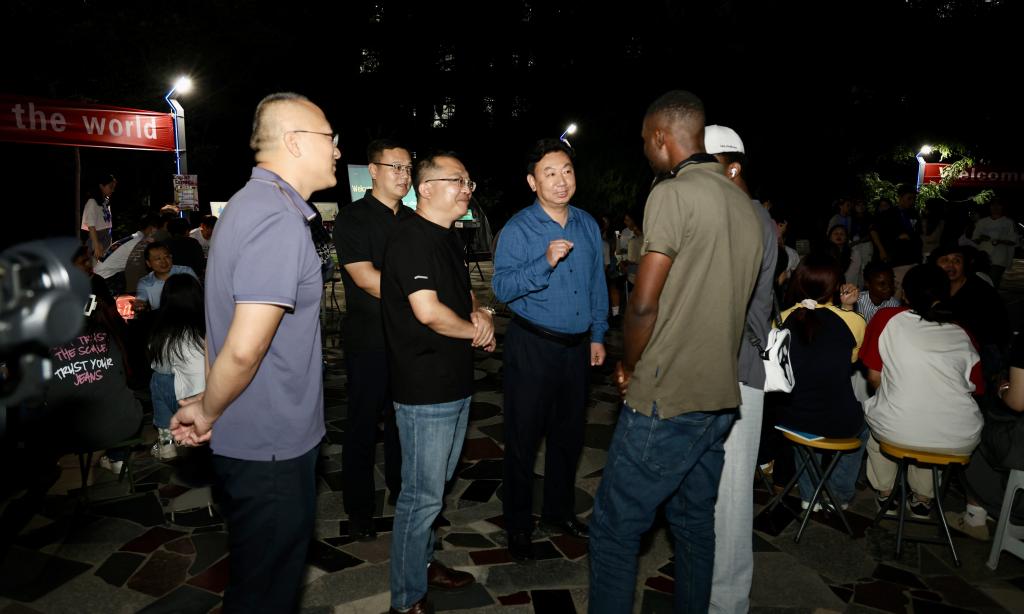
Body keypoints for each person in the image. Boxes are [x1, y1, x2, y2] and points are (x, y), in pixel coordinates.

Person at [588, 91, 762, 613]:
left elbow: (643, 304)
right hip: (718, 396)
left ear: (661, 137)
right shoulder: (744, 204)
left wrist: (629, 366)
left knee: (614, 528)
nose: (645, 150)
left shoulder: (672, 193)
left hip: (668, 395)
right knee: (693, 525)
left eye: (646, 140)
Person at [170, 92, 339, 613]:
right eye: (330, 138)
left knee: (255, 584)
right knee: (266, 595)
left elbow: (223, 327)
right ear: (295, 142)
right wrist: (208, 410)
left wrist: (209, 399)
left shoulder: (250, 204)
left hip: (254, 436)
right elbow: (245, 349)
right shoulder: (276, 218)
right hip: (272, 445)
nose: (337, 150)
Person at [383, 152, 492, 614]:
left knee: (436, 488)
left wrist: (481, 314)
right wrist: (476, 332)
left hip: (454, 380)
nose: (467, 188)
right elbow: (428, 312)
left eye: (469, 181)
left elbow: (461, 296)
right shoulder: (411, 237)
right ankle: (406, 599)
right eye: (457, 180)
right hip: (425, 386)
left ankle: (423, 564)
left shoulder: (447, 236)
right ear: (425, 189)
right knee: (421, 496)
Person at [492, 138, 608, 561]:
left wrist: (598, 334)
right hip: (533, 346)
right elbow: (502, 288)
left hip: (577, 350)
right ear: (532, 182)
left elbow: (597, 283)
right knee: (523, 439)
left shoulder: (587, 224)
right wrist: (544, 261)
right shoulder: (519, 229)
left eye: (567, 171)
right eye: (550, 173)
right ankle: (519, 525)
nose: (561, 181)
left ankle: (559, 512)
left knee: (568, 437)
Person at [702, 124, 778, 614]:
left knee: (730, 495)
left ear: (732, 170)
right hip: (717, 368)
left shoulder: (746, 218)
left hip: (737, 370)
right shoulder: (738, 213)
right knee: (712, 490)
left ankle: (727, 601)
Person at [332, 138, 413, 540]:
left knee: (405, 424)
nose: (404, 175)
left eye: (408, 168)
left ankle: (404, 493)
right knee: (363, 425)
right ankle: (360, 509)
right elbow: (365, 278)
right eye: (395, 167)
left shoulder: (414, 219)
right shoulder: (353, 218)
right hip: (369, 340)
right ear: (374, 171)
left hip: (410, 339)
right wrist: (422, 297)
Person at [861, 264, 984, 518]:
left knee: (880, 428)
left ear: (905, 294)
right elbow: (976, 388)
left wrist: (898, 393)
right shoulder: (962, 332)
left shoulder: (887, 318)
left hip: (898, 429)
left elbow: (873, 378)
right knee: (931, 427)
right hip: (959, 436)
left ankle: (886, 494)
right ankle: (923, 499)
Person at [777, 254, 865, 510]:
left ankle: (809, 495)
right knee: (864, 427)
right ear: (835, 286)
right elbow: (850, 360)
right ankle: (839, 494)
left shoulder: (782, 317)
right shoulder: (853, 321)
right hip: (839, 421)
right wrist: (847, 310)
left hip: (793, 417)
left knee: (804, 427)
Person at [147, 274, 206, 461]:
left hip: (191, 403)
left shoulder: (166, 333)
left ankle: (167, 441)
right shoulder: (211, 324)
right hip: (218, 396)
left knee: (158, 378)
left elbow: (160, 368)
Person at [134, 242, 198, 311]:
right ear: (148, 263)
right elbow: (140, 300)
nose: (164, 261)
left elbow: (198, 295)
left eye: (166, 257)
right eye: (158, 259)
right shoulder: (145, 282)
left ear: (171, 257)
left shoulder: (186, 272)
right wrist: (138, 304)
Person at [972, 198, 1017, 288]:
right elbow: (975, 239)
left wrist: (1000, 241)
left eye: (998, 205)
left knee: (993, 282)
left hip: (999, 259)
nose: (995, 207)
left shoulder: (1008, 222)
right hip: (983, 257)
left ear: (1002, 207)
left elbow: (1013, 241)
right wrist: (982, 238)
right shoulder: (982, 222)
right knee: (980, 281)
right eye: (993, 205)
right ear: (989, 207)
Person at [81, 174, 116, 261]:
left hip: (106, 239)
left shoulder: (105, 202)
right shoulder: (92, 202)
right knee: (96, 266)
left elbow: (107, 224)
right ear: (101, 186)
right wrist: (96, 245)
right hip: (97, 240)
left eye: (113, 187)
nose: (113, 190)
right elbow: (91, 226)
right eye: (110, 187)